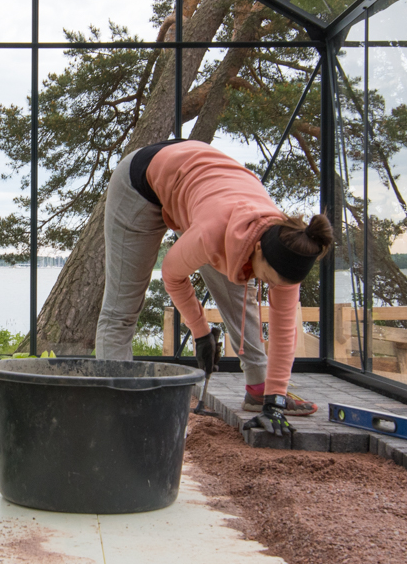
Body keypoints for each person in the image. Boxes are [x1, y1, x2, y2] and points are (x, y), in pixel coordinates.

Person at [95, 139, 334, 436]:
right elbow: (172, 275)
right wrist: (201, 333)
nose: (270, 286)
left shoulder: (289, 249)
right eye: (269, 279)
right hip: (140, 183)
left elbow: (285, 331)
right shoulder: (213, 233)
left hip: (202, 190)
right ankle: (114, 409)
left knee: (241, 293)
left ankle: (261, 391)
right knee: (121, 309)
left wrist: (276, 399)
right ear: (258, 249)